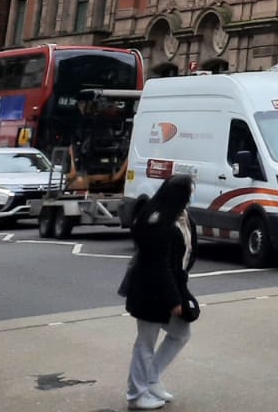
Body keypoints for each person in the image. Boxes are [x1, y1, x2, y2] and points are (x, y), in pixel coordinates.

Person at [122, 174, 198, 411]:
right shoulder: (157, 220)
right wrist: (173, 299)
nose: (190, 197)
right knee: (146, 343)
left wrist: (180, 292)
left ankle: (151, 378)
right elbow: (158, 263)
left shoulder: (183, 218)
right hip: (148, 290)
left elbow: (184, 256)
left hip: (170, 287)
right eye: (188, 192)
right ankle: (136, 394)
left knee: (181, 333)